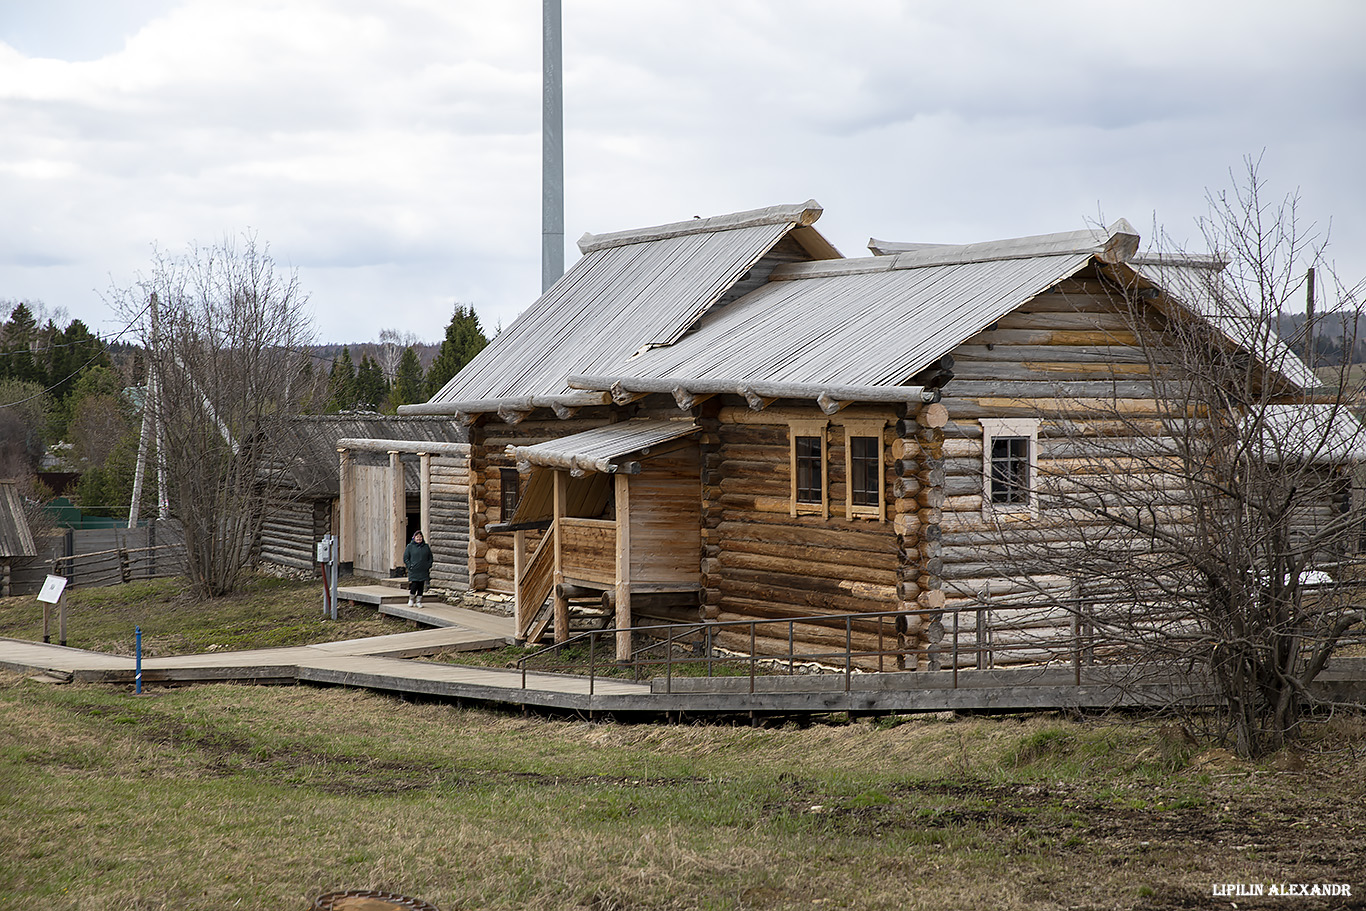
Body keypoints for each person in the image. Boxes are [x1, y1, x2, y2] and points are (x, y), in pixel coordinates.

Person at [403, 530, 434, 608]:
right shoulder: (410, 546)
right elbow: (406, 558)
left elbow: (430, 557)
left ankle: (419, 601)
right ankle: (411, 599)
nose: (419, 539)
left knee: (421, 585)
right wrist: (410, 566)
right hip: (414, 570)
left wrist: (428, 565)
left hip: (423, 570)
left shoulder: (426, 547)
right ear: (414, 538)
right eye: (417, 537)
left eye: (420, 537)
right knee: (414, 584)